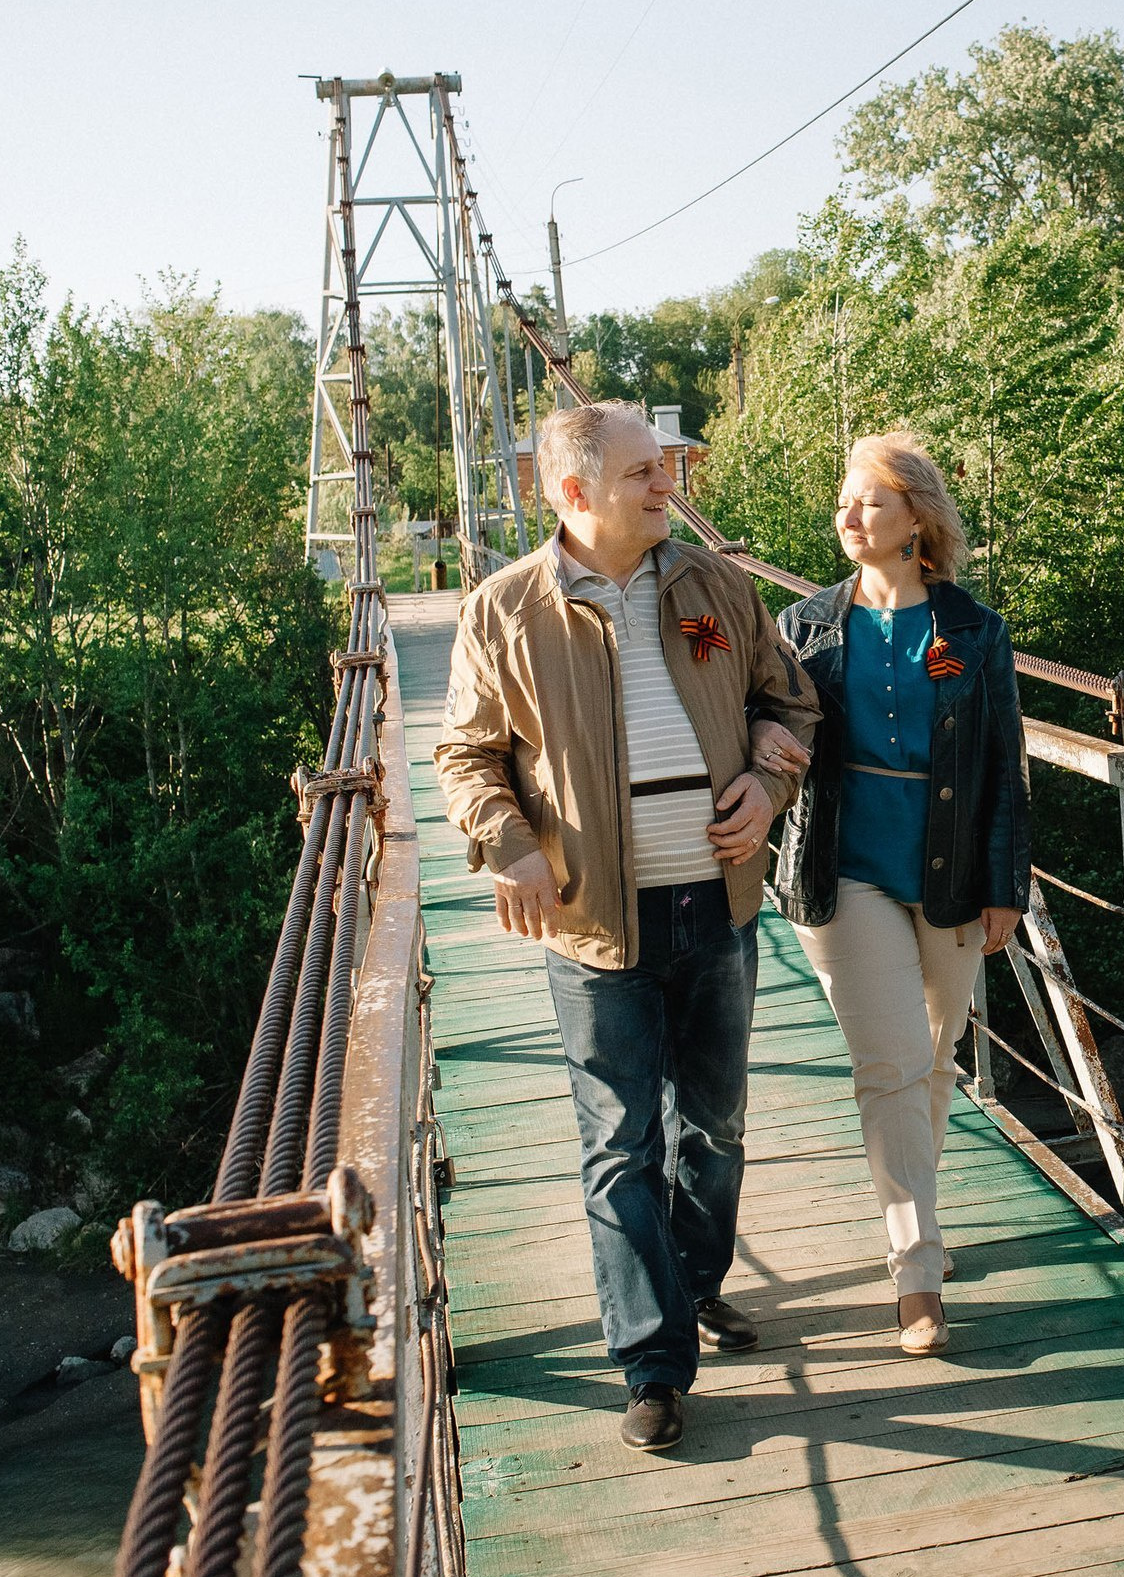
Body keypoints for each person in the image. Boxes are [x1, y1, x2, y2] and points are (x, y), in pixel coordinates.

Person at [435, 400, 819, 1454]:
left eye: (665, 465)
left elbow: (789, 706)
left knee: (716, 1126)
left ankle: (692, 1284)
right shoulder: (504, 612)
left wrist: (767, 783)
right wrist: (508, 842)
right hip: (594, 920)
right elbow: (465, 755)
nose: (667, 483)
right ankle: (652, 1364)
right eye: (645, 471)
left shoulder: (716, 585)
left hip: (718, 903)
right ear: (574, 492)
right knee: (620, 1145)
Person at [760, 431, 1031, 1356]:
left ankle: (922, 1215)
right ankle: (917, 1272)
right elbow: (764, 724)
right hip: (847, 868)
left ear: (916, 517)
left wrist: (1005, 884)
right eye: (845, 499)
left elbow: (1003, 764)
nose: (849, 515)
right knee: (892, 1062)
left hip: (952, 869)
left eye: (870, 500)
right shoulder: (803, 627)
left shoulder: (975, 631)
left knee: (935, 1054)